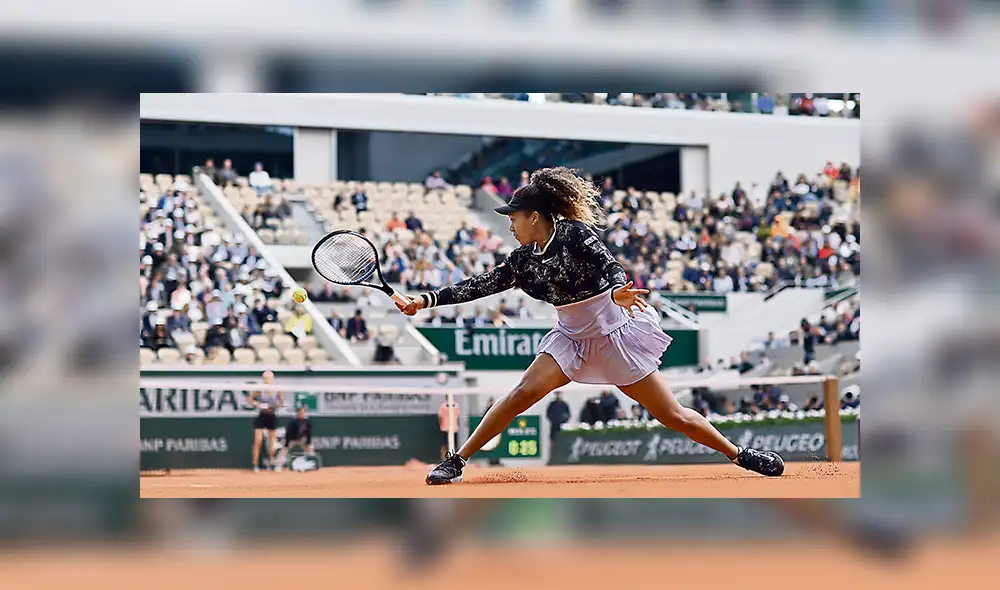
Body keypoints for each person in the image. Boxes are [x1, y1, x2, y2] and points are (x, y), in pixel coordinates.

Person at [395, 167, 784, 484]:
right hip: (569, 338)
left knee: (673, 415)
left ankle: (738, 454)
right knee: (520, 394)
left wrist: (617, 293)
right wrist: (425, 300)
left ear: (534, 217)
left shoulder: (575, 234)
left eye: (513, 216)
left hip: (613, 335)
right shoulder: (521, 260)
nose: (510, 224)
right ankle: (458, 460)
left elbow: (610, 266)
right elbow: (478, 286)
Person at [249, 370, 284, 472]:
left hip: (272, 415)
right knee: (258, 441)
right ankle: (255, 464)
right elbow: (250, 400)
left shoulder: (278, 389)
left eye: (268, 378)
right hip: (262, 415)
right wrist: (259, 405)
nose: (266, 380)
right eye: (265, 378)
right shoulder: (259, 388)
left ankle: (270, 462)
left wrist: (273, 406)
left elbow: (281, 403)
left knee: (271, 442)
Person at [274, 405, 314, 472]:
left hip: (302, 439)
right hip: (292, 439)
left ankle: (313, 464)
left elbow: (308, 433)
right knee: (284, 450)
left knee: (310, 448)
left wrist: (308, 442)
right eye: (300, 412)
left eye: (303, 412)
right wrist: (287, 443)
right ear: (297, 413)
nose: (301, 414)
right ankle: (278, 466)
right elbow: (288, 433)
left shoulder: (307, 422)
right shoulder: (293, 422)